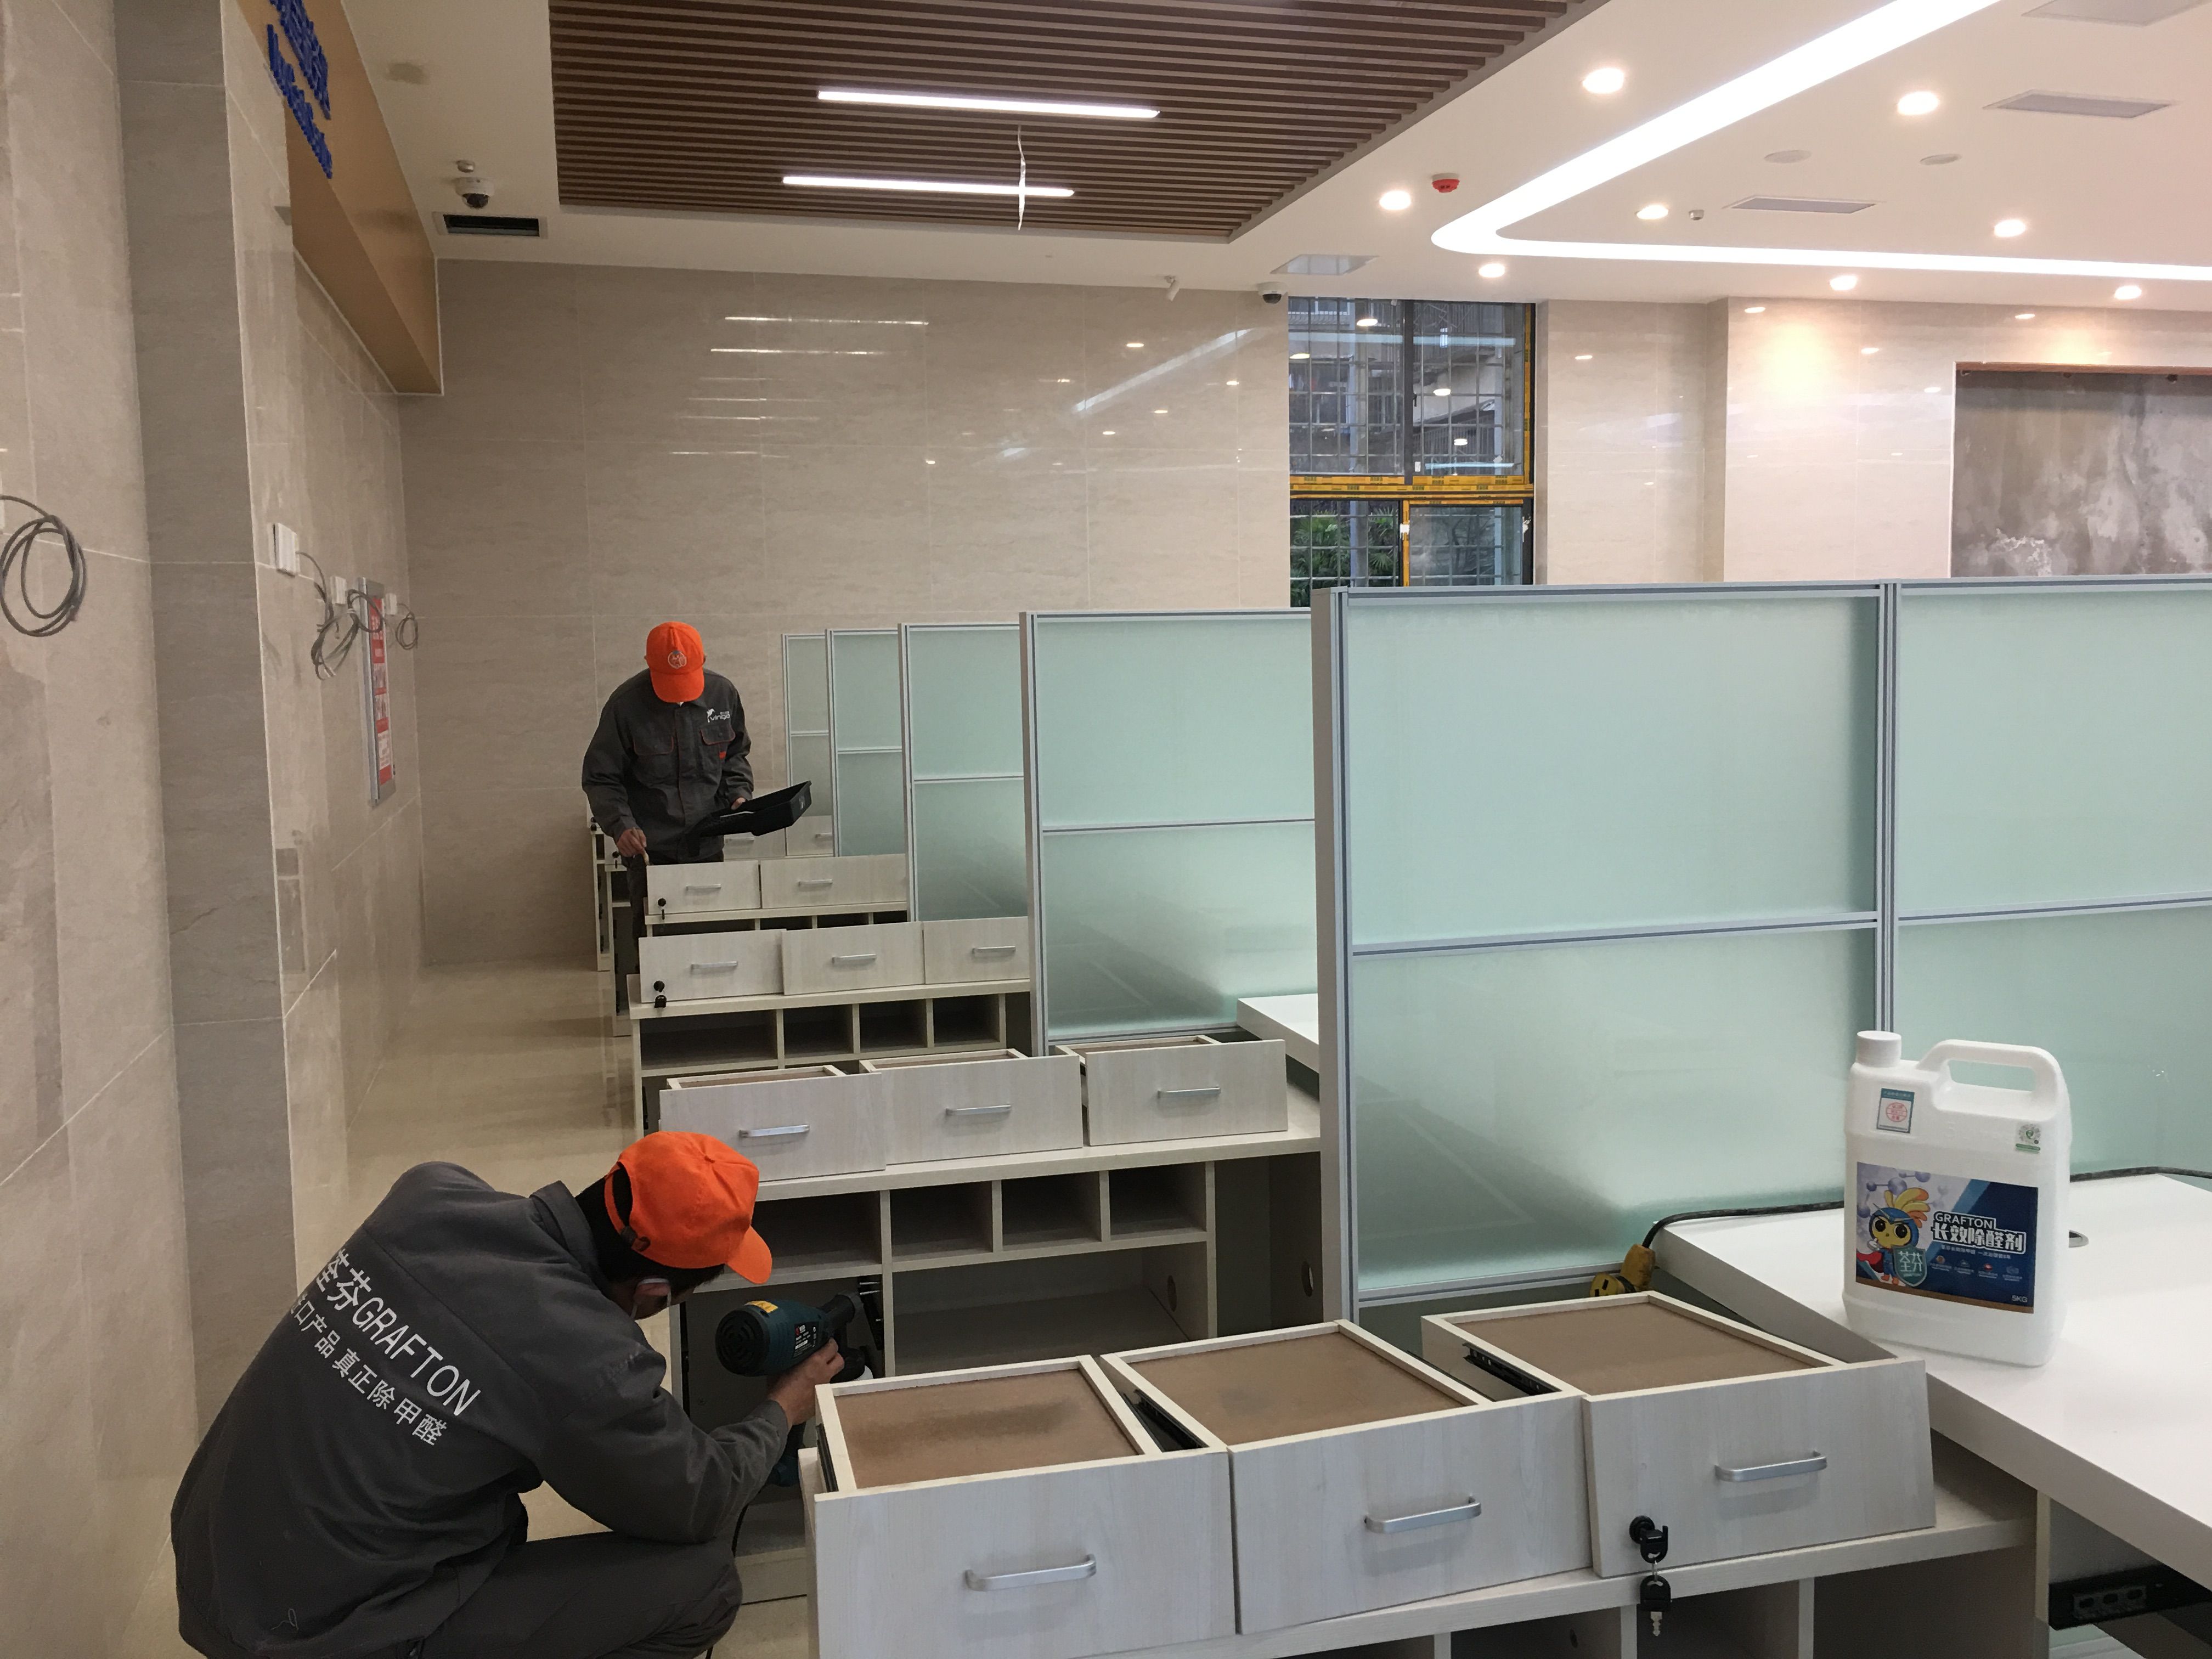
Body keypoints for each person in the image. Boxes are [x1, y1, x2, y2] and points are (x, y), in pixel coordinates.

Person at [172, 1132, 841, 1659]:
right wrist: (784, 1407)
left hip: (214, 1567)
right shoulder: (587, 1358)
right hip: (323, 1634)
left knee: (491, 1515)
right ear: (652, 1294)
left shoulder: (430, 1195)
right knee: (702, 1585)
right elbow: (699, 1498)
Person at [583, 622, 753, 997]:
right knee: (656, 947)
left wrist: (738, 794)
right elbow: (601, 776)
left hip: (707, 843)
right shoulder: (626, 705)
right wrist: (620, 825)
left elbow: (735, 755)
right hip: (650, 851)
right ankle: (659, 1017)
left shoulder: (723, 694)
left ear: (702, 660)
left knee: (709, 940)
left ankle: (711, 1012)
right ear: (649, 665)